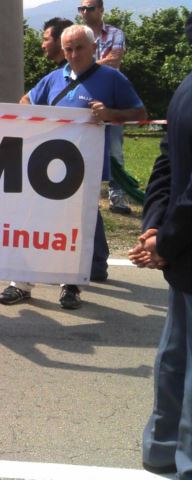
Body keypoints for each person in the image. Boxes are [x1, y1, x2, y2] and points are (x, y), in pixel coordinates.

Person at [0, 25, 146, 310]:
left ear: (93, 48)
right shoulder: (54, 78)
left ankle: (71, 286)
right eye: (68, 49)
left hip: (84, 170)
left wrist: (111, 114)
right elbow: (26, 101)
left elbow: (140, 114)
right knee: (34, 223)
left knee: (74, 228)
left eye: (79, 48)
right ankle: (22, 283)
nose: (74, 54)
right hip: (44, 169)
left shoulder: (112, 79)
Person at [128, 60, 192, 477]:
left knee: (176, 352)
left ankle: (162, 448)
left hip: (181, 247)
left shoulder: (186, 84)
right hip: (182, 241)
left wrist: (154, 227)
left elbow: (166, 161)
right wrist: (164, 238)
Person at [78, 0, 131, 214]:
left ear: (101, 10)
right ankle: (78, 194)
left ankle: (117, 198)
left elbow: (115, 59)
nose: (84, 12)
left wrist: (87, 66)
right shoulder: (78, 35)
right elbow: (74, 62)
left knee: (114, 150)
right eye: (81, 8)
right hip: (83, 98)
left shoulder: (116, 33)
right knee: (78, 146)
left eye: (89, 8)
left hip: (112, 99)